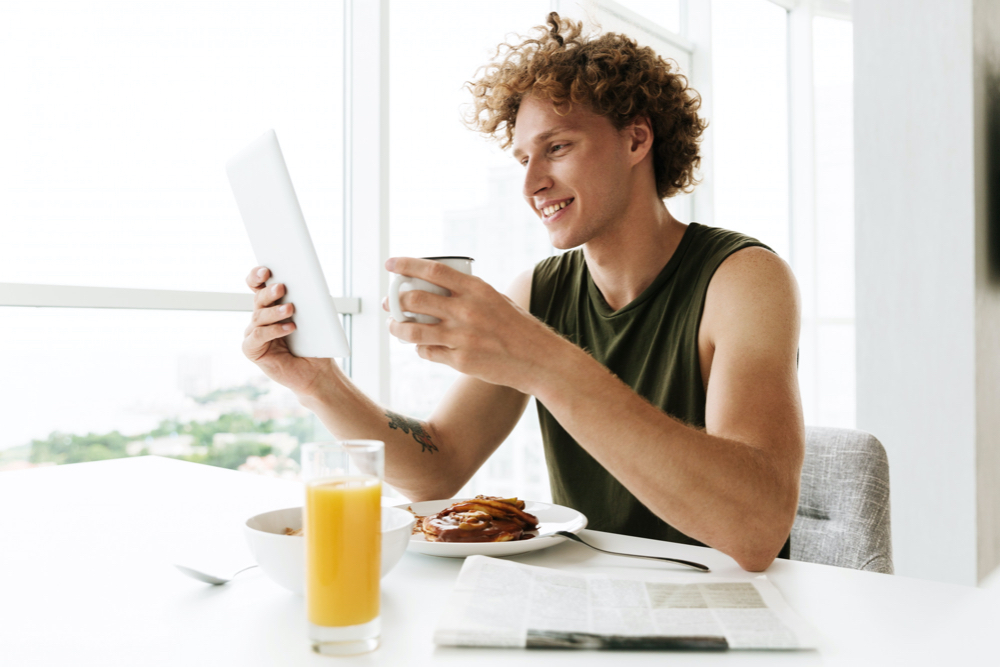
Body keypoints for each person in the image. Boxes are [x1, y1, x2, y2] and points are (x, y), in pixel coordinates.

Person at [242, 13, 804, 572]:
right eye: (522, 159)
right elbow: (437, 468)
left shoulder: (744, 278)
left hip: (725, 605)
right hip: (592, 597)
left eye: (556, 148)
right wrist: (318, 383)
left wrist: (539, 358)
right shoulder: (540, 291)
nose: (531, 183)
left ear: (636, 139)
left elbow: (755, 529)